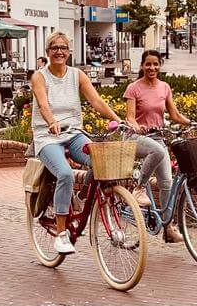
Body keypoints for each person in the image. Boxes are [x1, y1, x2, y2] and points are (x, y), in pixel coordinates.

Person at [31, 30, 121, 255]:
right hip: (48, 136)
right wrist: (51, 121)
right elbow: (43, 104)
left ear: (69, 52)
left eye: (63, 48)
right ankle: (61, 234)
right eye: (54, 48)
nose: (59, 52)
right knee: (65, 173)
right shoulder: (39, 77)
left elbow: (96, 100)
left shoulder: (77, 75)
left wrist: (117, 120)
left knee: (101, 160)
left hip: (73, 133)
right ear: (48, 52)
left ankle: (80, 198)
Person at [124, 50, 196, 243]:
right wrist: (136, 126)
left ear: (160, 66)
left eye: (155, 64)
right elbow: (130, 117)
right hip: (135, 138)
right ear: (142, 66)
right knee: (156, 151)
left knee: (167, 184)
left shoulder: (164, 87)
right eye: (148, 64)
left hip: (157, 138)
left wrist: (191, 123)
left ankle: (168, 227)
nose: (152, 68)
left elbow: (174, 114)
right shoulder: (133, 88)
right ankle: (138, 189)